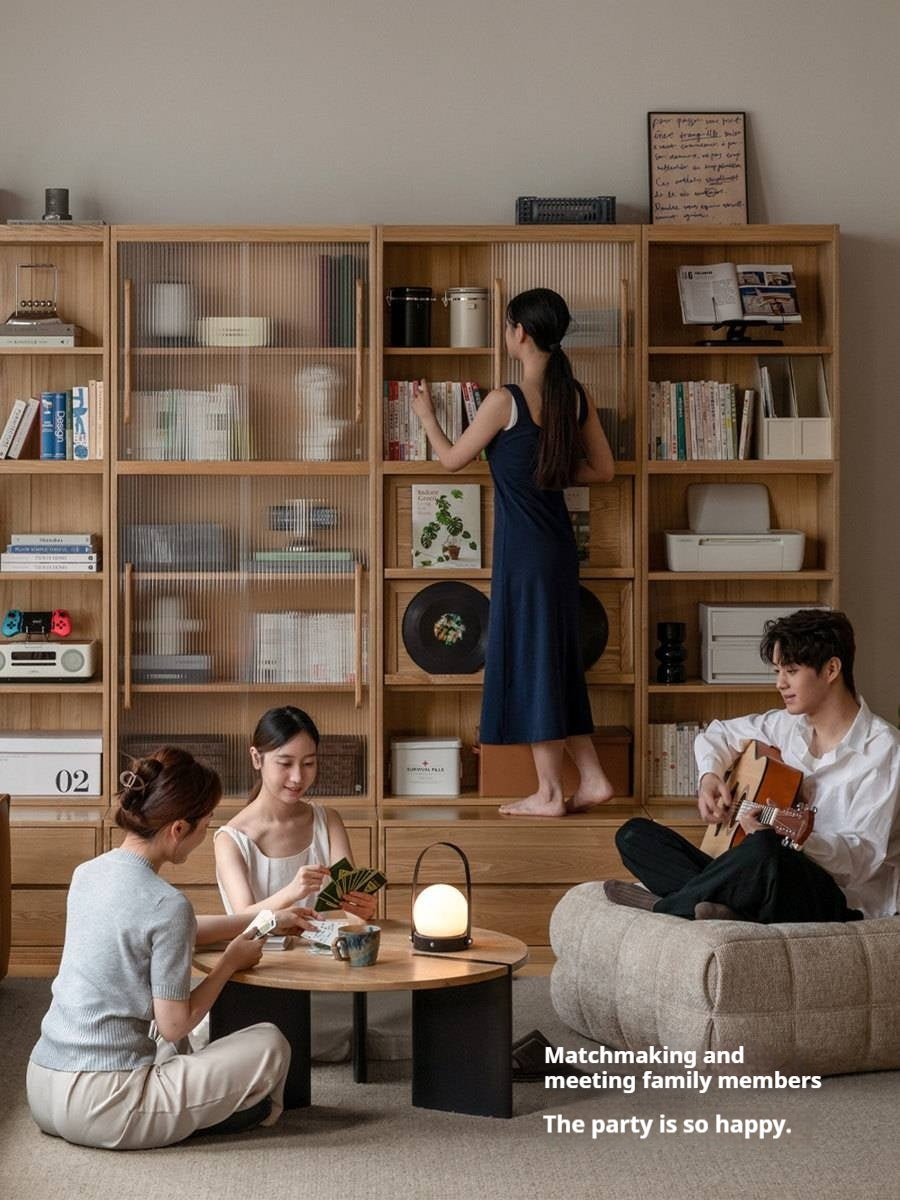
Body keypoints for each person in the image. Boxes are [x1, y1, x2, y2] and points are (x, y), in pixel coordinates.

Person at [26, 748, 310, 1150]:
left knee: (166, 1044)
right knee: (270, 1042)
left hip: (42, 1085)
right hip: (106, 1105)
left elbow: (168, 931)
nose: (204, 836)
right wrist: (228, 963)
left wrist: (266, 918)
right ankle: (224, 1117)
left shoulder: (87, 874)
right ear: (178, 829)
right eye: (205, 825)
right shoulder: (167, 905)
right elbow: (177, 1023)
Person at [410, 287, 616, 817]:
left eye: (507, 326)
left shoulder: (505, 400)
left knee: (533, 666)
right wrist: (549, 466)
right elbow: (604, 471)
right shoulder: (575, 396)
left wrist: (427, 415)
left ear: (518, 332)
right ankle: (590, 779)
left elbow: (453, 461)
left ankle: (549, 793)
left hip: (524, 554)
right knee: (555, 663)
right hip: (558, 549)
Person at [609, 610, 900, 923]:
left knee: (764, 848)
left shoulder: (883, 749)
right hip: (764, 874)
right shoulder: (786, 725)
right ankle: (723, 906)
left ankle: (669, 907)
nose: (779, 683)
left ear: (831, 669)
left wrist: (793, 837)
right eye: (777, 671)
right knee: (633, 835)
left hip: (837, 896)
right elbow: (717, 733)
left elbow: (862, 859)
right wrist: (709, 777)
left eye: (790, 671)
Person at [214, 705, 377, 921]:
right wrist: (292, 892)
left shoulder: (328, 822)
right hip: (257, 954)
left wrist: (362, 910)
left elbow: (353, 911)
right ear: (256, 758)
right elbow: (241, 918)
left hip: (318, 952)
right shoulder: (231, 839)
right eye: (285, 763)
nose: (298, 777)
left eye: (308, 763)